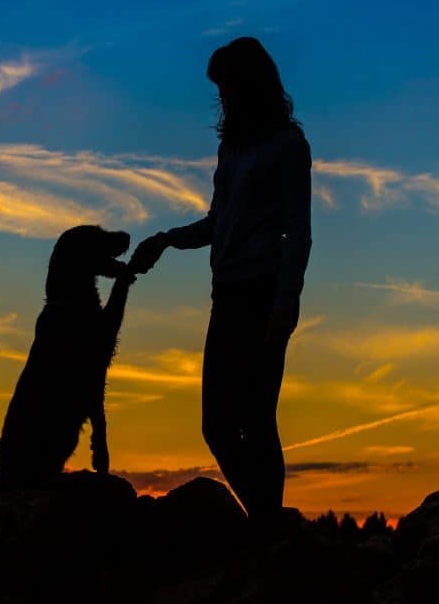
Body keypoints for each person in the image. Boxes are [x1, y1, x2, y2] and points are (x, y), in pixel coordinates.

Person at [129, 36, 311, 537]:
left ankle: (267, 533)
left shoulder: (288, 144)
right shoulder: (231, 147)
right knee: (218, 426)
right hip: (226, 295)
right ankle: (268, 526)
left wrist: (286, 301)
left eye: (228, 83)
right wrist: (165, 240)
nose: (223, 95)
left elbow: (299, 228)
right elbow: (218, 222)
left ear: (252, 82)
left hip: (264, 292)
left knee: (256, 420)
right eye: (220, 86)